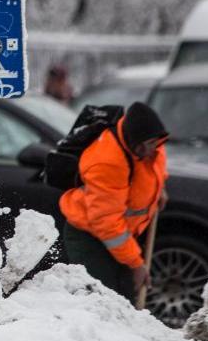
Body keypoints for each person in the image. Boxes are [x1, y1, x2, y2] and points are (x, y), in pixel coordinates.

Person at [60, 101, 168, 301]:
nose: (154, 149)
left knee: (126, 297)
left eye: (156, 143)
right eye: (148, 145)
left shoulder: (153, 145)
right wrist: (136, 264)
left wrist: (157, 192)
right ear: (134, 143)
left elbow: (153, 172)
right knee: (105, 301)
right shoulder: (107, 162)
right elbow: (107, 224)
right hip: (90, 238)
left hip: (121, 235)